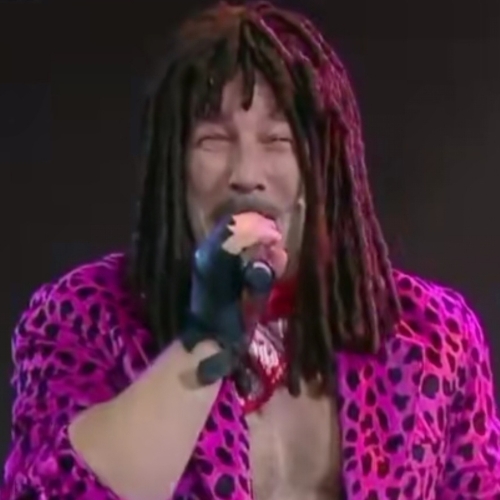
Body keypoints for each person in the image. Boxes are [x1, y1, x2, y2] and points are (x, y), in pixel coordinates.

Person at [2, 1, 500, 499]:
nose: (245, 174)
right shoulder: (83, 318)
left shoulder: (433, 337)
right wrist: (204, 343)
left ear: (326, 164)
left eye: (278, 139)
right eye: (212, 140)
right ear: (173, 166)